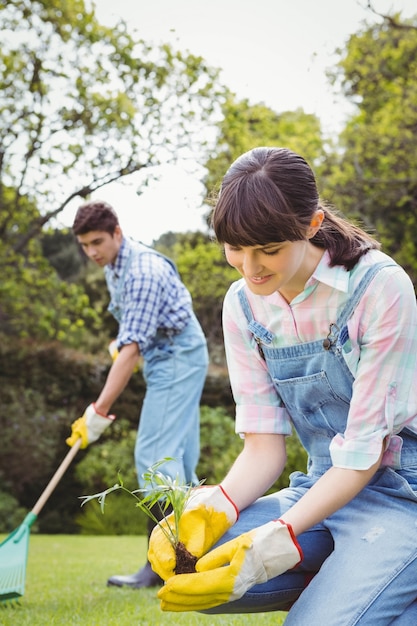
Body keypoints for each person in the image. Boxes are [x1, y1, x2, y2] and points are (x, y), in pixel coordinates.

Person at [148, 147, 417, 624]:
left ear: (312, 224)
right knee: (188, 565)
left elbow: (362, 456)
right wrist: (217, 508)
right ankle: (356, 582)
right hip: (318, 488)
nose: (250, 268)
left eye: (268, 250)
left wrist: (279, 535)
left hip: (400, 497)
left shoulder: (378, 287)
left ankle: (372, 588)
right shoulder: (244, 305)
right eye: (235, 249)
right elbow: (263, 448)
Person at [66, 199, 209, 589]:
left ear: (117, 233)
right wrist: (124, 342)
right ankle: (191, 559)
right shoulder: (115, 266)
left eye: (97, 241)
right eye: (84, 245)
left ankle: (159, 566)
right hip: (169, 356)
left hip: (178, 357)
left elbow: (131, 351)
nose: (92, 252)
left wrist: (98, 412)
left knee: (154, 459)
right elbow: (133, 333)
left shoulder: (143, 271)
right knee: (180, 460)